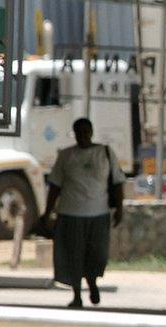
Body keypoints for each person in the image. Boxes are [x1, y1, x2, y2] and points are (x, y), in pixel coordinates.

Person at [41, 118, 125, 308]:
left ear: (92, 132)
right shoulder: (66, 156)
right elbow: (55, 186)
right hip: (71, 213)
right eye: (79, 132)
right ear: (75, 133)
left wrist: (120, 209)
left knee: (97, 254)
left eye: (86, 131)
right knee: (73, 255)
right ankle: (77, 295)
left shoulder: (105, 153)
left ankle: (92, 283)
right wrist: (47, 213)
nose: (83, 135)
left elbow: (118, 183)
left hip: (99, 214)